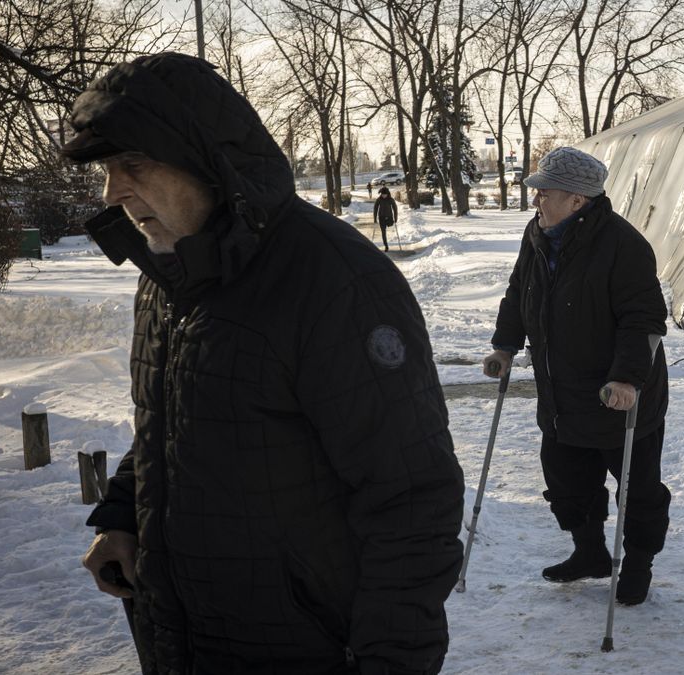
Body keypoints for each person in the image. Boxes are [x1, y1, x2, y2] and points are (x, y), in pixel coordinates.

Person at [62, 53, 464, 674]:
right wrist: (122, 514)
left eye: (133, 164)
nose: (113, 191)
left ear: (203, 161)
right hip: (181, 638)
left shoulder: (335, 281)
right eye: (107, 171)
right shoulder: (167, 270)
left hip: (303, 647)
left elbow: (411, 495)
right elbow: (175, 419)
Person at [483, 146, 671, 606]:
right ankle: (588, 552)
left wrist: (627, 379)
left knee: (638, 490)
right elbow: (517, 292)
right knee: (567, 484)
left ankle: (638, 564)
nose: (535, 201)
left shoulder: (623, 246)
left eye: (544, 193)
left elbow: (643, 319)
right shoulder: (537, 236)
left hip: (617, 395)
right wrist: (505, 345)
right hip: (561, 393)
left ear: (578, 201)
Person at [373, 186, 398, 252]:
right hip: (381, 218)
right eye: (382, 194)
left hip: (389, 217)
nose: (383, 196)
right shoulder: (379, 199)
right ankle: (386, 245)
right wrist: (375, 219)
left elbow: (395, 209)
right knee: (383, 232)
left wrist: (395, 218)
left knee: (390, 226)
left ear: (387, 194)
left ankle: (389, 242)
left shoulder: (390, 199)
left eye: (385, 194)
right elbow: (375, 209)